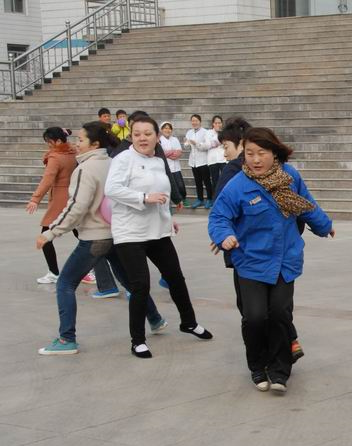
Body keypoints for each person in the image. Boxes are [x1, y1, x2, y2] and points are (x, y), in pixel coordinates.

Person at [209, 127, 333, 392]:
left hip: (285, 259)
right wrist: (224, 236)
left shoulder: (290, 176)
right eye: (249, 153)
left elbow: (306, 204)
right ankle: (257, 366)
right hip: (251, 261)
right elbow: (219, 216)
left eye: (261, 153)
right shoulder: (238, 185)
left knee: (279, 314)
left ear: (274, 153)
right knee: (254, 317)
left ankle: (279, 371)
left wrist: (324, 225)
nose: (255, 159)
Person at [35, 122, 168, 355]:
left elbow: (76, 207)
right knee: (130, 281)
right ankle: (155, 319)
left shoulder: (85, 169)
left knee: (65, 283)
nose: (77, 144)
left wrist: (51, 232)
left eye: (81, 140)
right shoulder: (113, 163)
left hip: (95, 238)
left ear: (94, 144)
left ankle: (67, 339)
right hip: (117, 234)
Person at [105, 117, 213, 358]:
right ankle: (137, 340)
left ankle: (189, 322)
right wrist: (144, 198)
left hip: (158, 231)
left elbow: (161, 195)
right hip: (130, 233)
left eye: (147, 133)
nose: (142, 138)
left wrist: (167, 218)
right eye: (137, 134)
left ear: (157, 136)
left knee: (175, 277)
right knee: (141, 285)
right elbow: (111, 189)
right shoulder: (123, 159)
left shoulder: (157, 160)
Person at [26, 127, 78, 284]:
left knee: (45, 236)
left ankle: (54, 272)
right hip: (74, 196)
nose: (48, 145)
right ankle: (93, 270)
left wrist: (35, 199)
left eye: (49, 142)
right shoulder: (74, 152)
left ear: (58, 141)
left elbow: (47, 179)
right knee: (83, 234)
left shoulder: (55, 157)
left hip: (60, 200)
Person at [185, 114, 212, 209]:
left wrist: (196, 143)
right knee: (197, 182)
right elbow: (186, 145)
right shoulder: (189, 132)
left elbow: (207, 146)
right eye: (193, 121)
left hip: (203, 161)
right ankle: (200, 199)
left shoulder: (205, 132)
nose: (194, 122)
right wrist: (186, 143)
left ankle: (210, 199)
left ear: (200, 121)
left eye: (196, 120)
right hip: (193, 161)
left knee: (207, 181)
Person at [159, 121, 187, 207]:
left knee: (180, 185)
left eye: (169, 128)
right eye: (165, 128)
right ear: (161, 130)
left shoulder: (175, 139)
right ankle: (173, 201)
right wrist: (172, 151)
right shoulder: (159, 140)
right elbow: (161, 153)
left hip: (176, 167)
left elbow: (179, 152)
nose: (167, 130)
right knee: (169, 185)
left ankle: (183, 198)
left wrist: (168, 153)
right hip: (167, 167)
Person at [207, 115, 226, 205]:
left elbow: (225, 144)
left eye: (219, 123)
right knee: (215, 180)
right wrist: (218, 140)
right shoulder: (208, 133)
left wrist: (215, 142)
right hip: (213, 160)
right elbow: (208, 144)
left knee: (225, 179)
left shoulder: (225, 132)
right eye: (216, 123)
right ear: (213, 124)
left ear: (222, 123)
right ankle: (215, 199)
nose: (218, 124)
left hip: (223, 159)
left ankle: (224, 199)